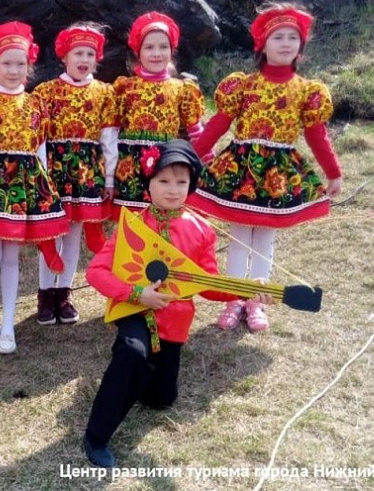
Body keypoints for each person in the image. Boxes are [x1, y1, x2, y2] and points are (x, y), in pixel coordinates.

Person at [82, 139, 274, 467]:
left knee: (160, 400)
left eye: (181, 182)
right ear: (149, 184)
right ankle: (96, 436)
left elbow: (208, 287)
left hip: (174, 323)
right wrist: (136, 293)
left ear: (191, 185)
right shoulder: (133, 226)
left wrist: (245, 290)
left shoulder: (201, 231)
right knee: (133, 352)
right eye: (164, 181)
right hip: (136, 310)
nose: (172, 190)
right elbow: (96, 271)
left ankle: (133, 371)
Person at [188, 3, 342, 332]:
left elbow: (317, 136)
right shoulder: (243, 85)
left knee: (264, 239)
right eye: (277, 37)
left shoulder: (307, 90)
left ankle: (257, 301)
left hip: (277, 175)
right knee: (240, 236)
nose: (285, 43)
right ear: (262, 45)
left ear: (300, 46)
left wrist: (334, 173)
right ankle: (233, 298)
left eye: (292, 37)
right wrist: (190, 157)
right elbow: (218, 124)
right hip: (241, 170)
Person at [0, 21, 69, 357]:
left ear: (30, 66)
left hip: (25, 190)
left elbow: (40, 151)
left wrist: (45, 191)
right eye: (7, 63)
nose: (13, 70)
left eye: (20, 64)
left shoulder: (36, 105)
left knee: (11, 259)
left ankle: (8, 325)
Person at [31, 23, 117, 326]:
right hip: (54, 171)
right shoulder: (46, 92)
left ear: (97, 59)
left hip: (85, 174)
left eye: (90, 53)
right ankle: (45, 294)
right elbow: (38, 138)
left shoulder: (104, 93)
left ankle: (64, 293)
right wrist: (41, 176)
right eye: (77, 52)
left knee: (73, 235)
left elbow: (108, 139)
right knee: (51, 232)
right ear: (64, 57)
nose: (84, 58)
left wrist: (108, 178)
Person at [111, 12, 206, 212]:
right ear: (138, 52)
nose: (157, 53)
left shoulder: (182, 89)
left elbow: (195, 130)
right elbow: (112, 129)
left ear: (172, 51)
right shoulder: (125, 88)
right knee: (129, 219)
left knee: (161, 215)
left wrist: (206, 159)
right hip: (129, 164)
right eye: (149, 47)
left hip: (165, 163)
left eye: (164, 47)